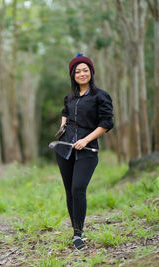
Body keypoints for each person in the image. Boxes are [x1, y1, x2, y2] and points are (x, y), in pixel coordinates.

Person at [54, 53, 113, 250]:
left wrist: (86, 139)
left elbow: (106, 123)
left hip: (88, 149)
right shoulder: (69, 97)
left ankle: (78, 234)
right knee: (70, 191)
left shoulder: (100, 96)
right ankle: (76, 231)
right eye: (77, 71)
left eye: (85, 70)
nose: (81, 74)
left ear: (91, 72)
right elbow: (65, 113)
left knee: (79, 188)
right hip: (65, 150)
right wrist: (62, 128)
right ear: (72, 75)